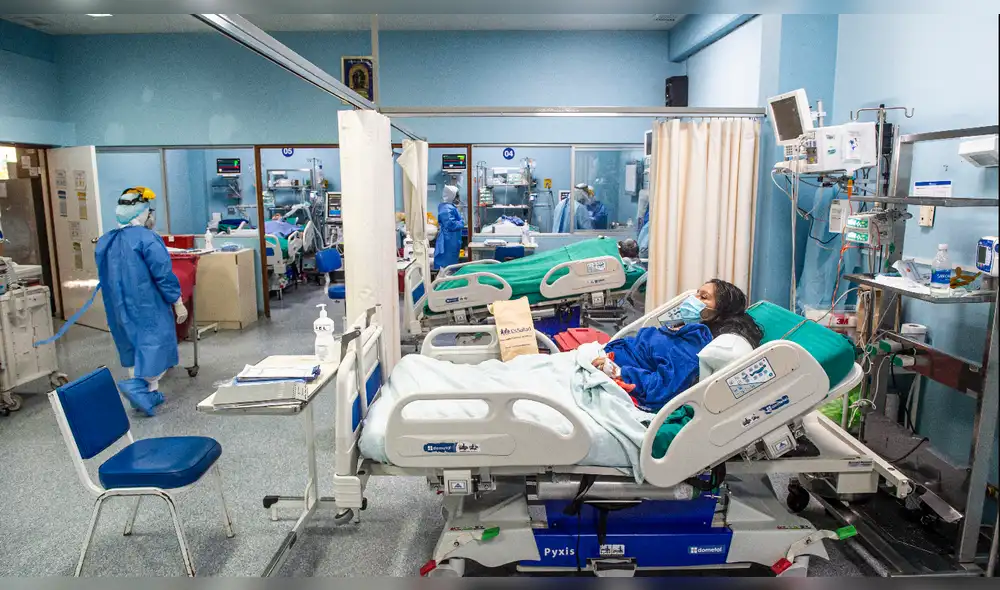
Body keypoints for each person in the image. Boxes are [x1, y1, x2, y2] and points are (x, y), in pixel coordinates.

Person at [592, 279, 762, 411]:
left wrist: (618, 372)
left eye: (703, 297)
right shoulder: (686, 329)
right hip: (602, 357)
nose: (693, 299)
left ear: (719, 314)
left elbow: (660, 388)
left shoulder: (692, 347)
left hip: (608, 371)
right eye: (697, 293)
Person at [95, 187, 187, 416]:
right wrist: (177, 301)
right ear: (143, 212)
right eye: (149, 212)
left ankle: (147, 396)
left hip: (118, 306)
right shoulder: (147, 238)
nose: (151, 217)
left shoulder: (106, 240)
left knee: (133, 346)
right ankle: (138, 386)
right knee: (154, 345)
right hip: (147, 304)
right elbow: (163, 273)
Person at [433, 184, 465, 270]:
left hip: (452, 239)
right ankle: (444, 281)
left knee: (451, 263)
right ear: (452, 196)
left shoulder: (450, 207)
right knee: (447, 265)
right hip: (448, 240)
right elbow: (451, 224)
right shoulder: (446, 208)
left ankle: (449, 279)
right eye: (457, 196)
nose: (458, 198)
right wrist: (461, 222)